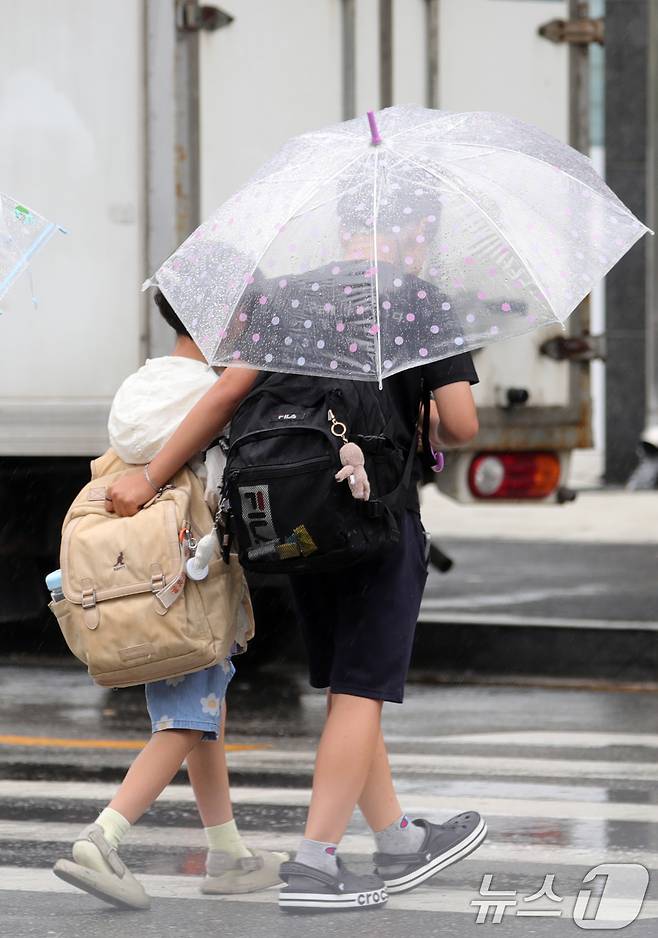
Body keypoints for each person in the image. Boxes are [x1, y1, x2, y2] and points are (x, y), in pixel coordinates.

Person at [53, 291, 286, 910]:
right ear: (232, 323)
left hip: (143, 579)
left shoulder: (145, 386)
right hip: (191, 579)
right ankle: (104, 837)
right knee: (187, 719)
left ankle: (228, 850)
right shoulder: (205, 396)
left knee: (202, 709)